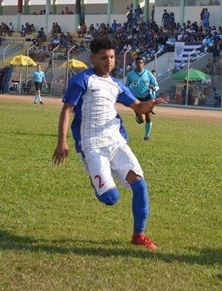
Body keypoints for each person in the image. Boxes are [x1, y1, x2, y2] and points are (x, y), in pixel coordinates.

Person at [52, 36, 168, 250]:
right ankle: (96, 180)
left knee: (140, 184)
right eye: (104, 58)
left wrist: (151, 103)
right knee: (110, 198)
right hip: (92, 145)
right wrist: (62, 142)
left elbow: (138, 107)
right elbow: (66, 110)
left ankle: (138, 235)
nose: (109, 61)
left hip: (116, 141)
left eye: (113, 57)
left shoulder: (116, 85)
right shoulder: (82, 80)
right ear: (93, 58)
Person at [125, 57, 160, 141]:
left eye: (141, 63)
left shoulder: (148, 74)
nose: (139, 64)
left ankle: (146, 136)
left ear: (143, 63)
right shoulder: (130, 75)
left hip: (147, 97)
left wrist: (154, 88)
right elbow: (126, 86)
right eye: (137, 63)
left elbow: (156, 85)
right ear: (135, 64)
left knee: (148, 116)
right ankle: (138, 117)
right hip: (136, 99)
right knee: (141, 120)